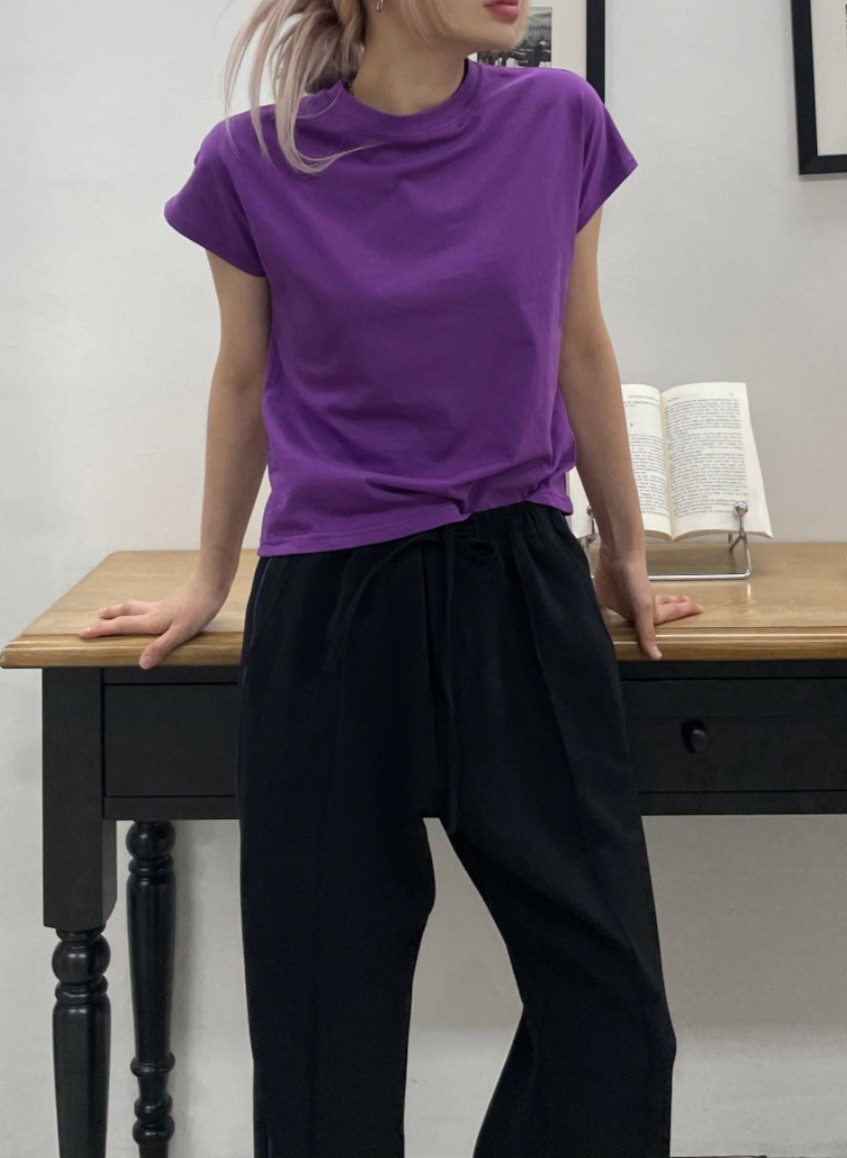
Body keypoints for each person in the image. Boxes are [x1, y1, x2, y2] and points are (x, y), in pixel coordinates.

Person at [81, 0, 704, 1152]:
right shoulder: (250, 162)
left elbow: (580, 342)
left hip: (518, 582)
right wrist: (212, 576)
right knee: (326, 1026)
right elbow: (241, 377)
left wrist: (624, 550)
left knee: (613, 1016)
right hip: (331, 603)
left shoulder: (556, 119)